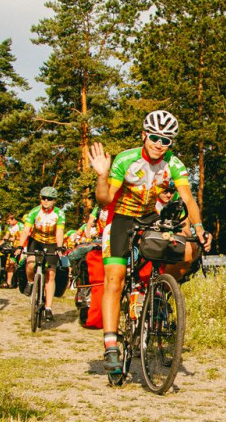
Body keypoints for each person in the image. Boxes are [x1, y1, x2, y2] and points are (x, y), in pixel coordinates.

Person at [87, 110, 213, 374]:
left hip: (150, 218)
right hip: (120, 218)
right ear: (144, 135)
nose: (159, 144)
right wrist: (101, 175)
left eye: (166, 140)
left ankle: (157, 293)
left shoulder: (174, 165)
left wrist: (199, 228)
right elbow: (104, 200)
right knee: (115, 277)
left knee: (185, 252)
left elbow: (189, 200)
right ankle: (111, 345)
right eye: (155, 137)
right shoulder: (126, 160)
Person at [17, 187, 67, 321]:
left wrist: (59, 247)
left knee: (51, 273)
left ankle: (49, 307)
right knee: (30, 263)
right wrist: (19, 246)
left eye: (49, 199)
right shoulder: (34, 212)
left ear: (54, 201)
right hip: (36, 241)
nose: (45, 201)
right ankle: (30, 282)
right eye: (43, 198)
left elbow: (59, 232)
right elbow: (26, 230)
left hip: (51, 243)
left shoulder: (59, 214)